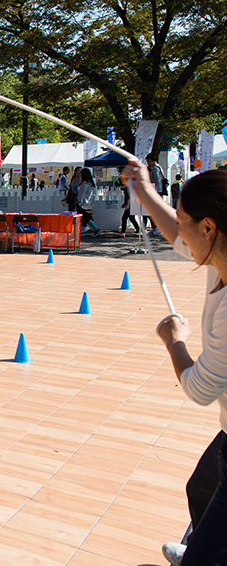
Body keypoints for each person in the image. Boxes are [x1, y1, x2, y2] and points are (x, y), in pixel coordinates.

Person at [121, 159, 227, 566]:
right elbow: (180, 238)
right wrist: (145, 190)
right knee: (201, 489)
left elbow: (201, 388)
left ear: (209, 227)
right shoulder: (219, 255)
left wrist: (174, 341)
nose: (177, 232)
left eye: (185, 220)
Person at [76, 167, 101, 237]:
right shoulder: (90, 184)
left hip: (82, 203)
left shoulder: (84, 184)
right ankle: (88, 228)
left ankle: (95, 229)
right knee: (86, 217)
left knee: (85, 218)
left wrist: (79, 202)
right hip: (88, 202)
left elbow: (82, 194)